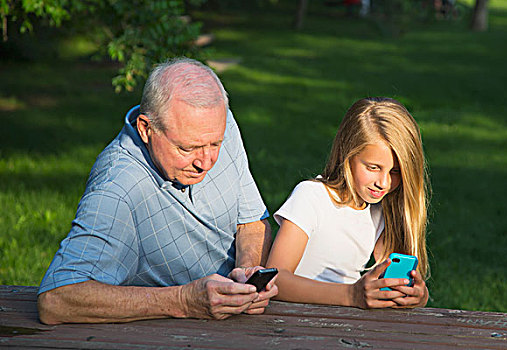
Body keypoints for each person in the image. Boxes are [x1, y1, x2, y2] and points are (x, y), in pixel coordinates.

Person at [37, 57, 278, 324]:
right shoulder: (118, 186)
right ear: (145, 128)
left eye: (215, 144)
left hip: (237, 323)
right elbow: (56, 300)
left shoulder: (215, 125)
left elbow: (252, 222)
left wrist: (246, 274)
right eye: (187, 149)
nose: (206, 162)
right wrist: (184, 301)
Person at [266, 97, 430, 308]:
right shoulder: (311, 197)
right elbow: (275, 279)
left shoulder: (380, 210)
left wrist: (417, 295)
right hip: (296, 320)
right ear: (347, 154)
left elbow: (387, 285)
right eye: (373, 167)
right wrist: (351, 296)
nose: (384, 183)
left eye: (395, 172)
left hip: (346, 323)